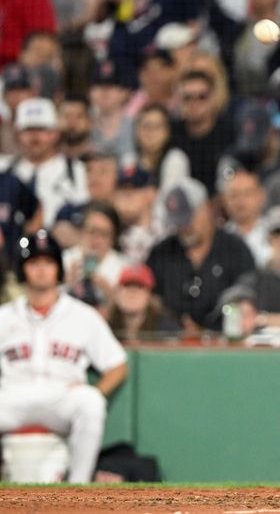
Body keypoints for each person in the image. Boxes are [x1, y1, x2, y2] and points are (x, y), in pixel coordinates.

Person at [0, 230, 128, 483]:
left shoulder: (83, 315)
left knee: (90, 402)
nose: (41, 270)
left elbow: (118, 364)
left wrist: (97, 390)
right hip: (14, 396)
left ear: (58, 269)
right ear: (22, 269)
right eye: (34, 262)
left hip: (60, 397)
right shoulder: (4, 316)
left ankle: (78, 490)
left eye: (48, 262)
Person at [146, 178, 255, 333]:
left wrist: (205, 333)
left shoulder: (235, 250)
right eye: (178, 221)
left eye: (189, 218)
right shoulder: (161, 254)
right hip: (170, 343)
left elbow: (247, 303)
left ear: (208, 207)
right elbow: (151, 302)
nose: (184, 227)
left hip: (225, 345)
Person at [1, 97, 88, 229]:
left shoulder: (77, 170)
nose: (35, 137)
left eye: (42, 129)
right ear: (17, 134)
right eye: (28, 129)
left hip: (58, 244)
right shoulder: (3, 169)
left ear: (55, 133)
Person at [170, 70, 235, 196]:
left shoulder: (230, 132)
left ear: (213, 99)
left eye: (202, 97)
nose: (195, 103)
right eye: (187, 97)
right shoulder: (172, 133)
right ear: (179, 100)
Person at [122, 104, 189, 194]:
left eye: (157, 126)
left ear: (167, 132)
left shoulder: (175, 159)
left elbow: (170, 199)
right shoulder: (129, 159)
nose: (150, 132)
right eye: (146, 126)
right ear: (136, 131)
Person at [107, 263, 180, 342]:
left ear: (149, 295)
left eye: (139, 287)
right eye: (127, 286)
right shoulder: (105, 326)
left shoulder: (165, 326)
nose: (132, 293)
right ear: (117, 293)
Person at [221, 167, 271, 268]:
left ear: (261, 196)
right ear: (224, 200)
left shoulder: (275, 231)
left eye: (247, 194)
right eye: (234, 195)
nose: (240, 201)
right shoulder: (219, 238)